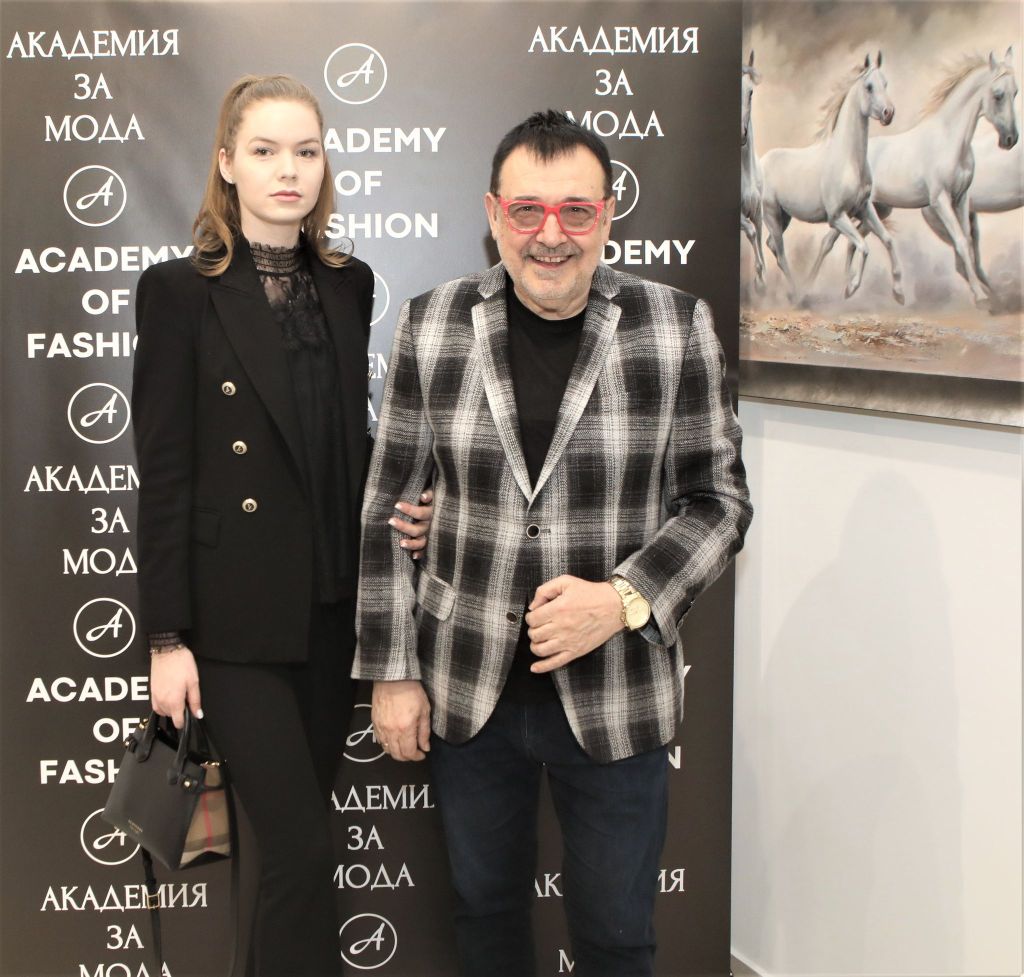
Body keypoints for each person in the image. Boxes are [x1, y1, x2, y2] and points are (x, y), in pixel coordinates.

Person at [354, 110, 752, 977]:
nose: (550, 234)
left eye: (575, 210)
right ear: (493, 214)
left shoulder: (675, 325)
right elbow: (389, 504)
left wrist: (622, 599)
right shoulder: (431, 323)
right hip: (468, 691)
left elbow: (718, 502)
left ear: (607, 215)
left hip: (617, 689)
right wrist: (392, 669)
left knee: (616, 934)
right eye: (527, 210)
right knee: (484, 916)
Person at [131, 74, 432, 977]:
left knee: (289, 863)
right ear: (227, 163)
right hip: (232, 626)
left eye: (306, 150)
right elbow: (166, 472)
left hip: (330, 608)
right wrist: (166, 637)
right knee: (302, 851)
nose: (288, 169)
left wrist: (402, 504)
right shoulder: (179, 291)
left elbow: (341, 440)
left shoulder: (347, 284)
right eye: (264, 150)